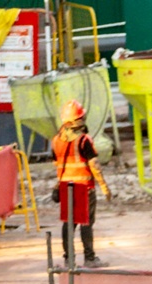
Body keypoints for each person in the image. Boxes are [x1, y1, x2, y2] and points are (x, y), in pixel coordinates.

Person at [50, 100, 103, 268]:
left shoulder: (56, 140)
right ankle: (90, 258)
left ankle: (69, 260)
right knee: (86, 223)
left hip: (66, 187)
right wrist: (104, 186)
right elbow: (94, 165)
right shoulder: (83, 140)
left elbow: (56, 164)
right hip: (84, 187)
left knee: (69, 223)